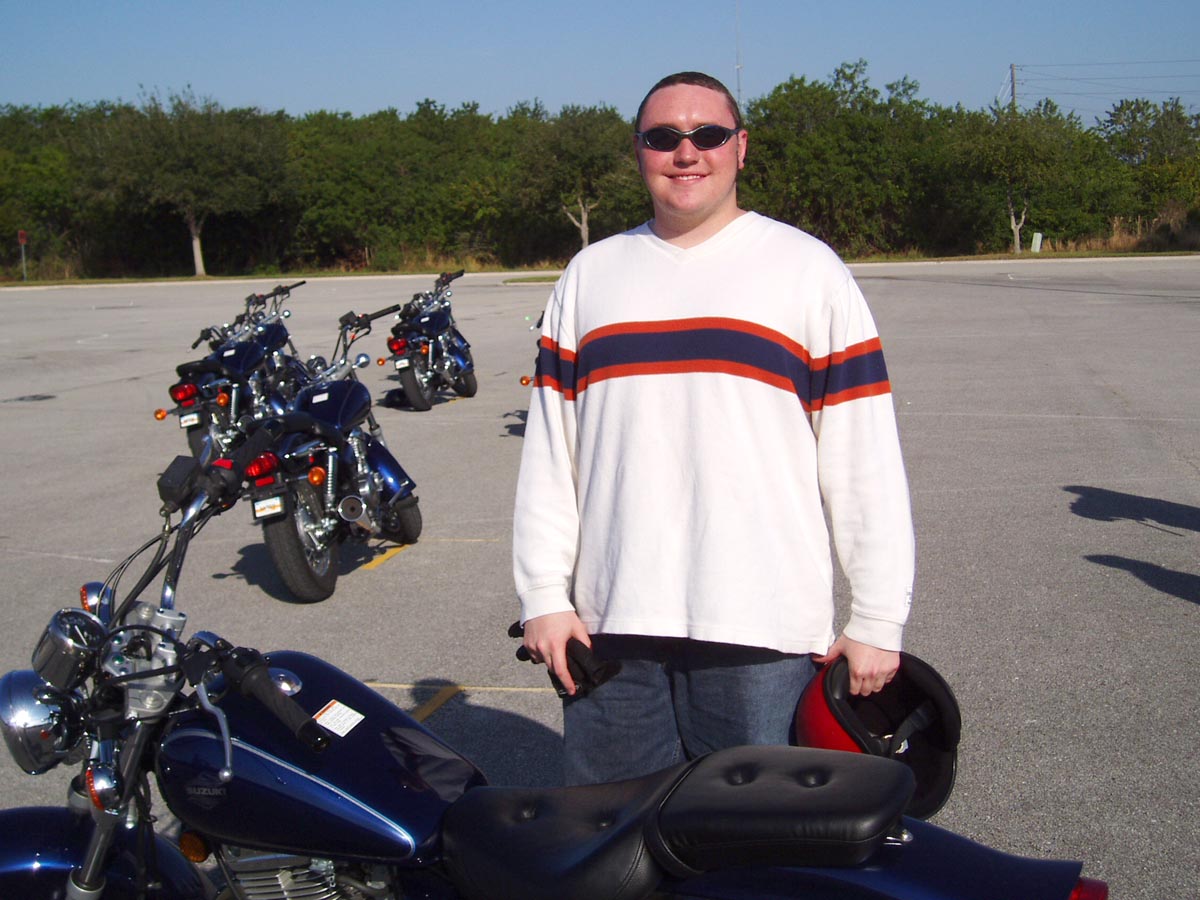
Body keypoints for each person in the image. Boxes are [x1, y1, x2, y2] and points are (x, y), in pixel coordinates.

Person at [512, 71, 915, 786]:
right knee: (613, 835)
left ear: (741, 147)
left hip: (762, 632)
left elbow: (863, 458)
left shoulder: (808, 270)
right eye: (663, 137)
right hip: (612, 631)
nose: (686, 152)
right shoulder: (589, 276)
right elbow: (551, 456)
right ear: (638, 150)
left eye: (708, 134)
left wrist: (878, 618)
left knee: (756, 841)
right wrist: (543, 594)